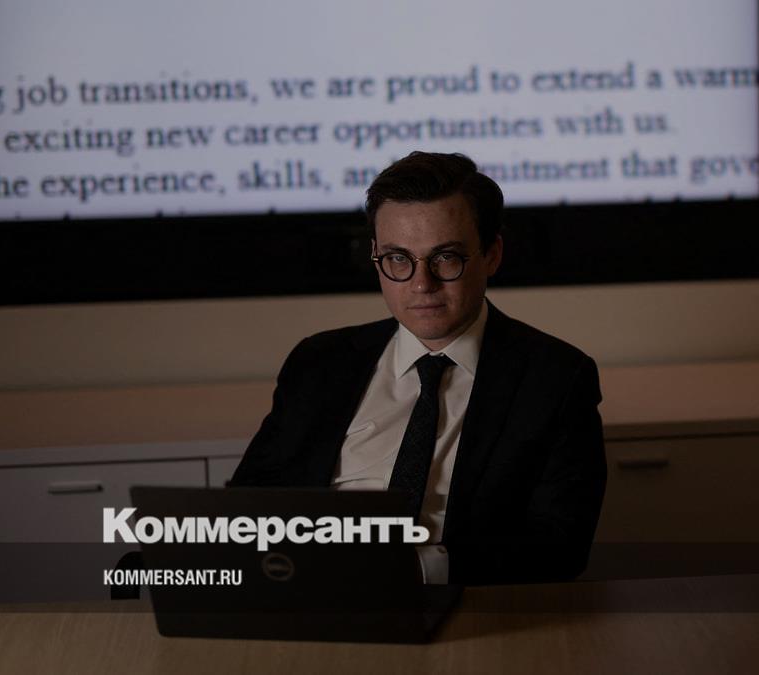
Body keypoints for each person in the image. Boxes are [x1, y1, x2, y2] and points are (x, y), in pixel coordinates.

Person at [230, 151, 606, 585]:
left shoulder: (556, 378)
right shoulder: (319, 362)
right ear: (376, 256)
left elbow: (560, 548)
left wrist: (415, 568)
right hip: (309, 594)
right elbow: (245, 508)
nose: (421, 283)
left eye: (446, 258)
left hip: (461, 602)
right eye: (398, 259)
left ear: (492, 254)